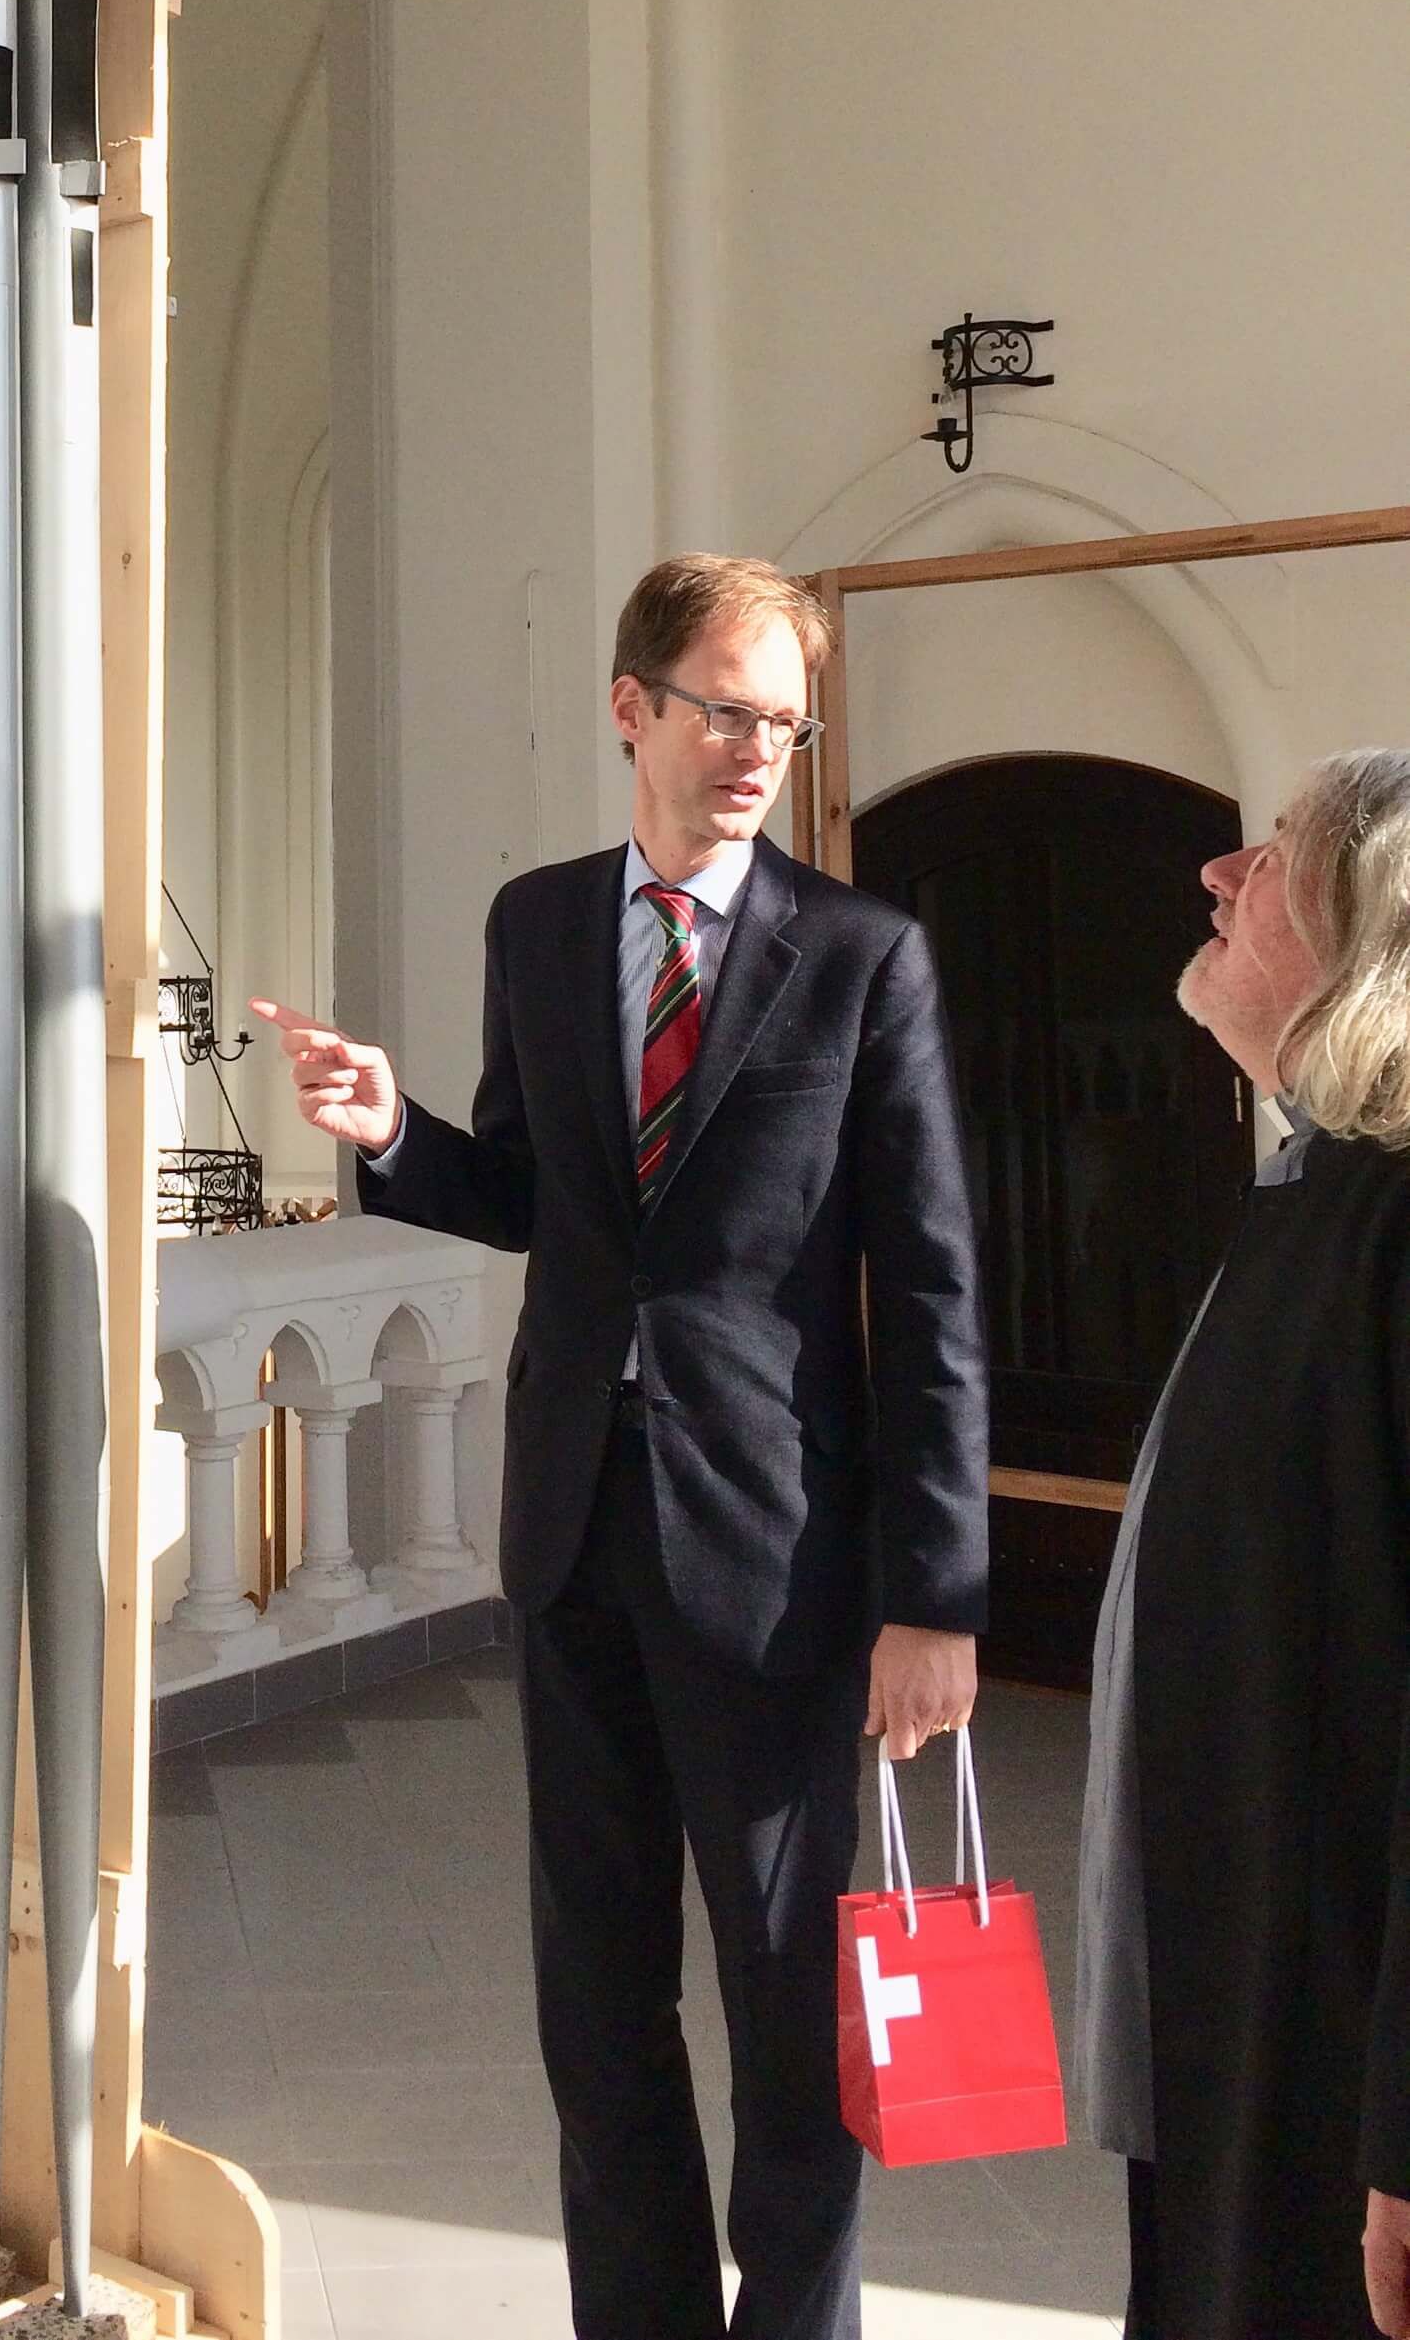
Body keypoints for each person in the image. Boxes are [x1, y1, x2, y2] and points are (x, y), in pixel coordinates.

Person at [255, 553, 988, 2340]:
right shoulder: (537, 924)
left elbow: (933, 1287)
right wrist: (393, 1128)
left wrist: (937, 1593)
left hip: (780, 1558)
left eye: (783, 723)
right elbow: (533, 1194)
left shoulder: (862, 956)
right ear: (631, 708)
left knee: (792, 2000)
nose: (756, 751)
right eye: (724, 710)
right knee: (596, 2002)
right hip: (573, 1527)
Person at [1078, 749, 1410, 2340]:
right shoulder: (1309, 1188)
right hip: (1236, 2010)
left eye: (1273, 854)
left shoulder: (1391, 1225)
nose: (1220, 874)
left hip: (1331, 2053)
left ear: (1364, 935)